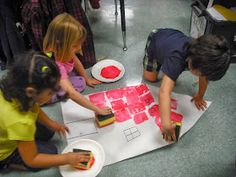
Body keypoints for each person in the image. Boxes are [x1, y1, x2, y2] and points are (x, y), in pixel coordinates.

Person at [0, 51, 91, 171]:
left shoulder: (20, 90)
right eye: (50, 93)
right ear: (31, 92)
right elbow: (32, 159)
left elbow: (34, 108)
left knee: (48, 132)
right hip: (4, 151)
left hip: (10, 126)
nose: (53, 96)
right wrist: (66, 159)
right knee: (52, 152)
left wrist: (52, 124)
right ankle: (6, 163)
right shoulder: (21, 122)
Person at [143, 28, 231, 142]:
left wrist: (200, 96)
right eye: (201, 74)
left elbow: (203, 78)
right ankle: (162, 61)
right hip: (156, 41)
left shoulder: (202, 51)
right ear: (192, 62)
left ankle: (166, 63)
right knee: (150, 78)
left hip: (172, 39)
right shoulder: (177, 58)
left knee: (171, 71)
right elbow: (164, 92)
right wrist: (166, 123)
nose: (202, 77)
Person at [43, 13, 111, 115]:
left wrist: (87, 78)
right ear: (60, 44)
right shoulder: (57, 66)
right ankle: (50, 98)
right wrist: (98, 110)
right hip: (46, 90)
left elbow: (77, 62)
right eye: (75, 45)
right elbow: (72, 94)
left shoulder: (63, 50)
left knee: (82, 80)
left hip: (58, 78)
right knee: (77, 85)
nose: (79, 48)